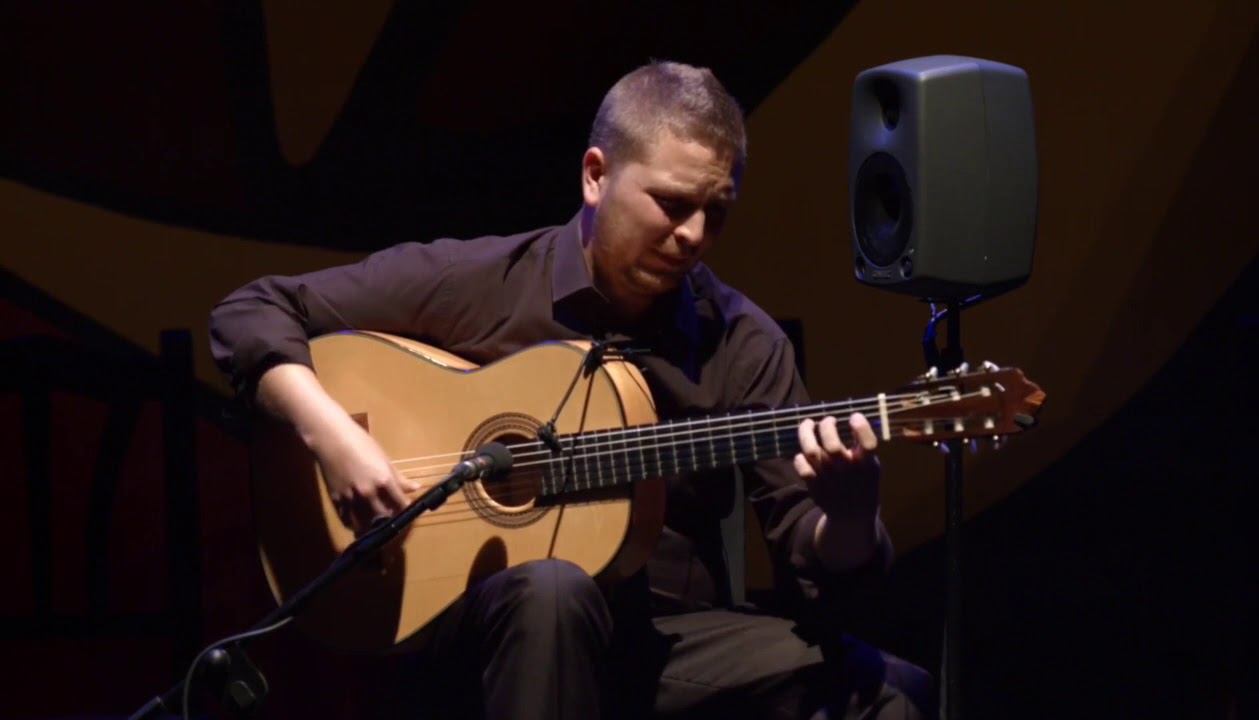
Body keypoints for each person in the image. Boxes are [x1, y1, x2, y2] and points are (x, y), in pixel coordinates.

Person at [210, 60, 935, 719]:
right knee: (552, 589)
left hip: (667, 643)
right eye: (672, 204)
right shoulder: (478, 284)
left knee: (893, 694)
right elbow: (251, 311)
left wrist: (850, 517)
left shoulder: (742, 342)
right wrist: (334, 438)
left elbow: (822, 571)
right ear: (596, 175)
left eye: (716, 212)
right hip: (486, 628)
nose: (693, 236)